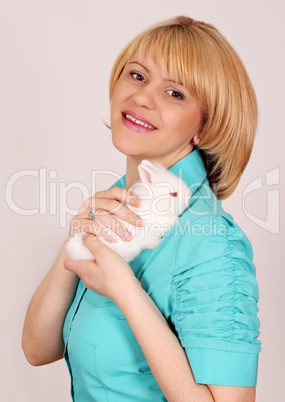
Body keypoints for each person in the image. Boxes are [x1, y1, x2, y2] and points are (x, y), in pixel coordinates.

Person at [22, 16, 262, 401]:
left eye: (175, 93)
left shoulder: (212, 243)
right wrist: (76, 240)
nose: (143, 97)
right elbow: (38, 350)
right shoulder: (115, 203)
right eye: (137, 76)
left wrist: (124, 288)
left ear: (204, 126)